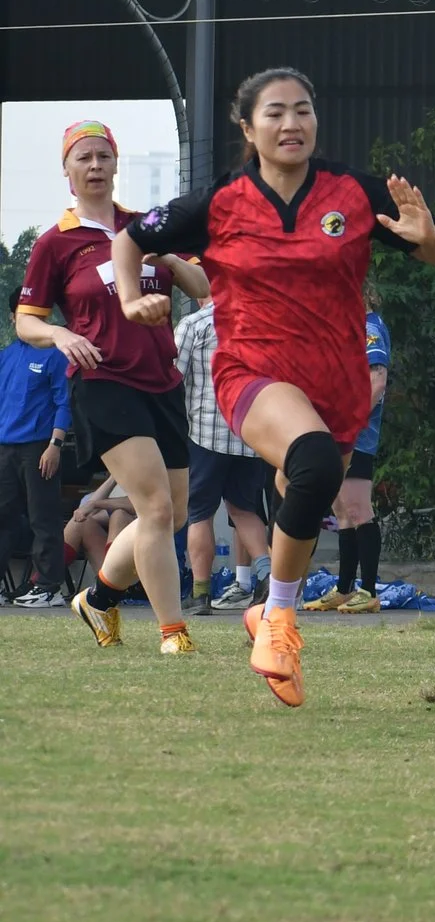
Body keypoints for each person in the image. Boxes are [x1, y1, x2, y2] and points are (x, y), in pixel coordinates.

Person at [121, 68, 435, 707]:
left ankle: (270, 613)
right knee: (314, 461)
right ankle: (277, 617)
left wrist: (429, 235)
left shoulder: (353, 192)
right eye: (274, 113)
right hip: (251, 369)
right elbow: (130, 239)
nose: (291, 124)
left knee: (307, 483)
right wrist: (134, 300)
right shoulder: (218, 203)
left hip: (339, 381)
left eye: (302, 110)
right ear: (247, 128)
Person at [15, 121, 209, 655]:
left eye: (104, 156)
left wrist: (164, 254)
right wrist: (57, 332)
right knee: (154, 507)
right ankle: (174, 633)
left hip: (163, 382)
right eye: (84, 158)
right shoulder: (56, 243)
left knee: (168, 508)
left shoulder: (147, 226)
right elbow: (25, 321)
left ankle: (97, 600)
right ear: (68, 171)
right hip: (102, 381)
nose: (95, 165)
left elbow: (203, 288)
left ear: (117, 164)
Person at [174, 299, 276, 616]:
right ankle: (268, 577)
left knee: (200, 513)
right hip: (248, 432)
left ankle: (200, 594)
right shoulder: (260, 323)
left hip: (204, 433)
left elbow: (172, 377)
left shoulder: (195, 324)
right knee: (244, 509)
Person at [307, 285, 389, 613]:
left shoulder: (369, 329)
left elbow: (377, 381)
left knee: (357, 509)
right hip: (339, 433)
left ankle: (368, 590)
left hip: (357, 435)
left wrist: (351, 422)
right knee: (342, 511)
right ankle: (343, 589)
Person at [0, 332, 72, 607]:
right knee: (3, 517)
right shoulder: (6, 356)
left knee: (43, 517)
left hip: (39, 447)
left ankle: (48, 587)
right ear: (13, 319)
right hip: (5, 447)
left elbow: (64, 402)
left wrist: (55, 445)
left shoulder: (54, 354)